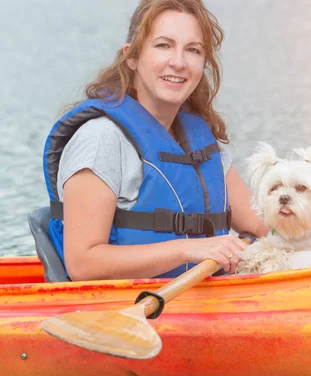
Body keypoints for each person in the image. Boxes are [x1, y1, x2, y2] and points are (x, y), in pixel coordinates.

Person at [42, 0, 268, 281]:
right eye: (163, 45)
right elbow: (83, 264)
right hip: (126, 305)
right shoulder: (100, 139)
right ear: (132, 57)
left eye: (193, 50)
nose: (179, 62)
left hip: (202, 302)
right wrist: (187, 249)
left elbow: (261, 224)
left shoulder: (200, 139)